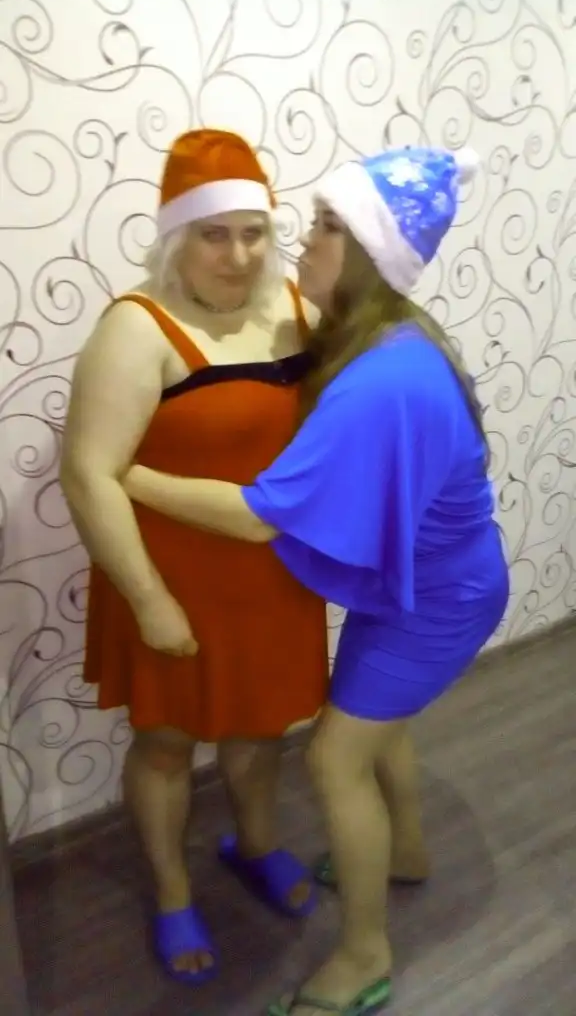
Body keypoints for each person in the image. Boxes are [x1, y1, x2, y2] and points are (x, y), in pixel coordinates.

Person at [121, 144, 510, 1014]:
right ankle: (406, 849)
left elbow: (259, 515)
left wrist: (128, 477)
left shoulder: (383, 378)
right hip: (424, 582)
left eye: (328, 226)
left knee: (336, 757)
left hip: (437, 602)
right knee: (373, 726)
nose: (303, 241)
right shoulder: (391, 335)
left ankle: (364, 956)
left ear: (370, 252)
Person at [59, 128, 330, 986]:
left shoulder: (294, 308)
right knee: (168, 745)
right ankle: (173, 891)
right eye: (215, 234)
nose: (238, 254)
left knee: (261, 731)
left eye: (253, 232)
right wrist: (148, 600)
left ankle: (255, 844)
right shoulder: (137, 328)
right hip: (169, 580)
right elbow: (88, 476)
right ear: (177, 235)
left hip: (274, 575)